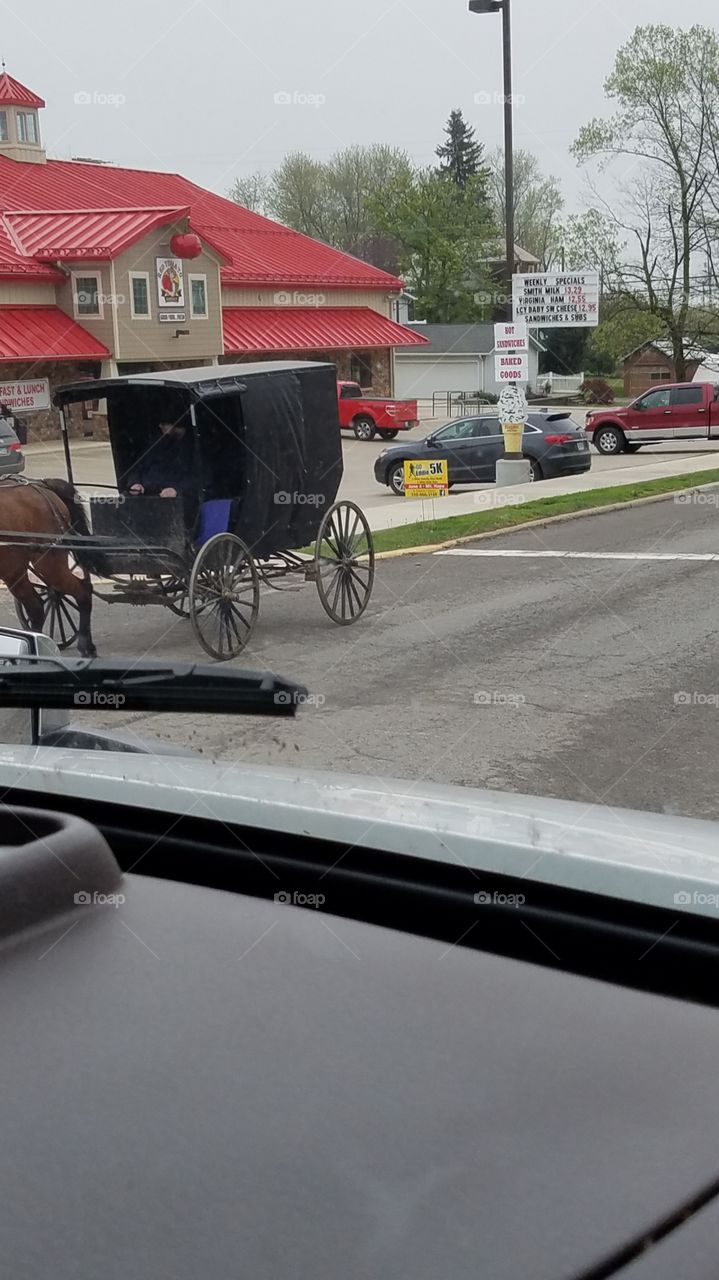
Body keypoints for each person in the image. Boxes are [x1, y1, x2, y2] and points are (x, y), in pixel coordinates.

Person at [128, 421, 191, 498]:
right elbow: (137, 469)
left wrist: (177, 490)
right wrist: (135, 483)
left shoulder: (191, 448)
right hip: (146, 496)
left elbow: (198, 478)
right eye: (163, 424)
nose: (161, 426)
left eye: (166, 424)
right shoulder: (153, 445)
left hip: (179, 499)